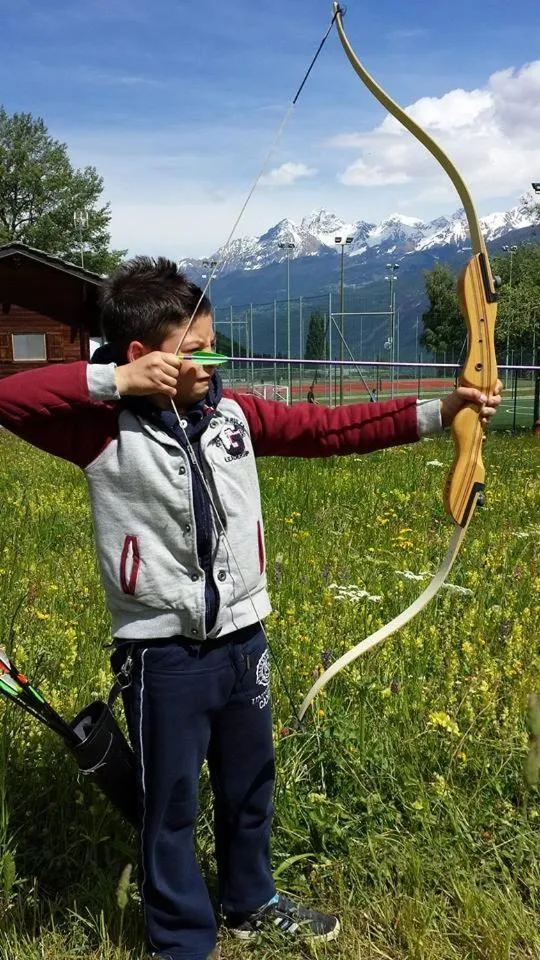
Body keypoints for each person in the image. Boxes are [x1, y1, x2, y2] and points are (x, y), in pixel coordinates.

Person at [0, 257, 502, 960]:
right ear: (144, 359)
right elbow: (10, 398)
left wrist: (442, 411)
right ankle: (181, 941)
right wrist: (112, 379)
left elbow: (326, 431)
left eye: (213, 340)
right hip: (163, 653)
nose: (213, 359)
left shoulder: (231, 413)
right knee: (169, 805)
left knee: (250, 784)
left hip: (243, 639)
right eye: (194, 349)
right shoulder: (99, 429)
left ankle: (251, 903)